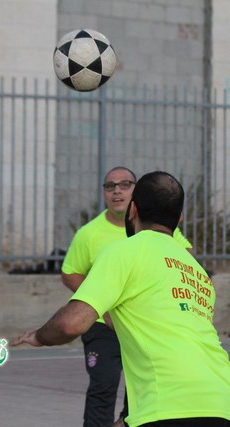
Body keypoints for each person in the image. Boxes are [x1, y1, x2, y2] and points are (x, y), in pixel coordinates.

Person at [12, 171, 230, 427]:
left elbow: (70, 324)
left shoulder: (124, 251)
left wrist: (40, 336)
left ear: (133, 210)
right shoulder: (196, 271)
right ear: (179, 218)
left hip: (167, 404)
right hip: (221, 400)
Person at [60, 166, 193, 427]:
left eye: (124, 185)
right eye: (110, 186)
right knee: (103, 384)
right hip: (103, 326)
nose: (117, 191)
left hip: (144, 325)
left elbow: (188, 264)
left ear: (136, 198)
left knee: (140, 391)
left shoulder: (163, 230)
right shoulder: (89, 233)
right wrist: (100, 300)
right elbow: (69, 273)